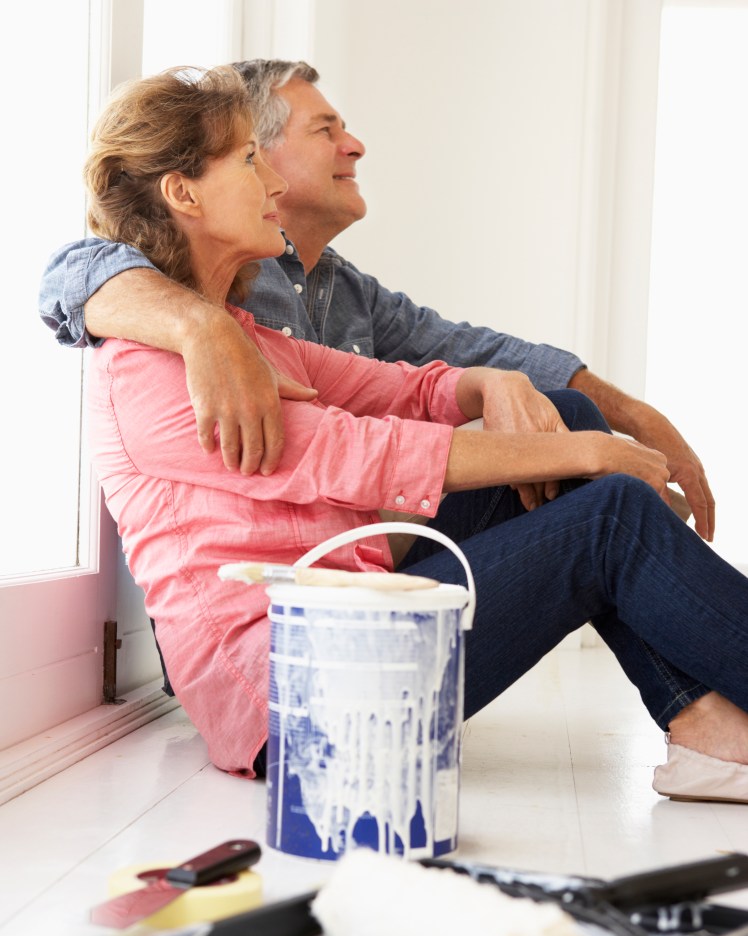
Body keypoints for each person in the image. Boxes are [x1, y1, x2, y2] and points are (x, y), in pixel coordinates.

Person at [80, 64, 748, 804]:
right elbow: (367, 453)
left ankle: (710, 731)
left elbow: (403, 388)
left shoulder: (246, 337)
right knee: (609, 513)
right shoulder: (150, 371)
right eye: (247, 159)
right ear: (184, 193)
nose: (269, 180)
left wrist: (489, 384)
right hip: (296, 700)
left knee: (573, 423)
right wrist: (598, 455)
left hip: (349, 621)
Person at [39, 59, 712, 540]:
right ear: (260, 148)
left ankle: (695, 684)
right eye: (325, 130)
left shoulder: (340, 285)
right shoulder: (190, 287)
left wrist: (632, 417)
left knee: (563, 414)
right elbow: (69, 272)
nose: (354, 144)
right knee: (595, 498)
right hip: (279, 588)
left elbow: (465, 355)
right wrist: (201, 328)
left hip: (352, 542)